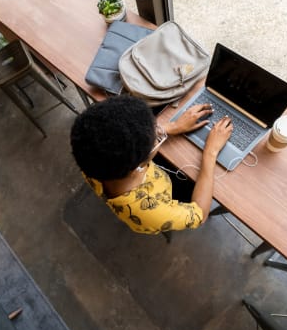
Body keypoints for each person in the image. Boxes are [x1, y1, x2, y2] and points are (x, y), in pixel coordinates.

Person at [70, 95, 233, 235]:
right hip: (166, 193)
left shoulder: (92, 156)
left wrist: (173, 127)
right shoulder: (150, 212)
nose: (159, 132)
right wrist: (210, 152)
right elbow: (200, 215)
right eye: (157, 137)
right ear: (138, 166)